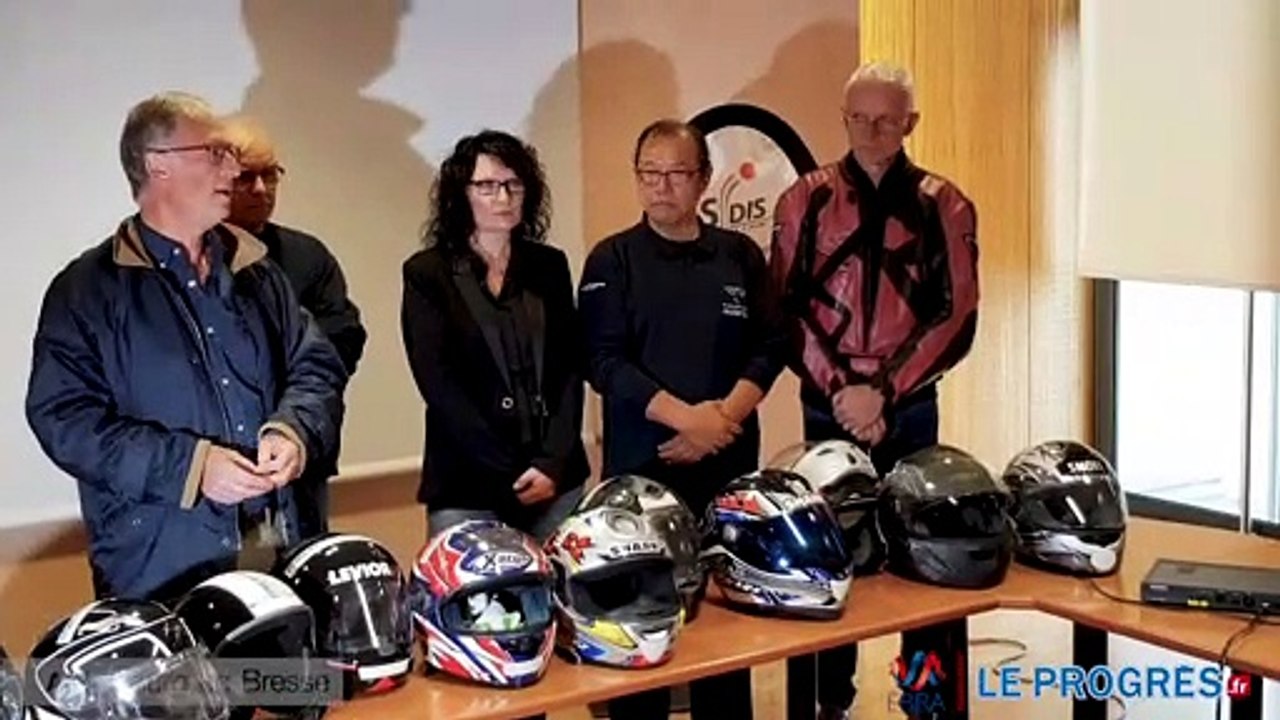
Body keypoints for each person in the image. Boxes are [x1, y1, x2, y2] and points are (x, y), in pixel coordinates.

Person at [25, 92, 347, 603]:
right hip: (160, 570)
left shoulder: (257, 273)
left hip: (278, 552)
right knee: (189, 688)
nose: (232, 166)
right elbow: (64, 418)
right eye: (214, 152)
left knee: (285, 685)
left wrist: (295, 429)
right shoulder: (86, 291)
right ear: (158, 166)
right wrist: (192, 468)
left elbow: (316, 366)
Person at [770, 61, 979, 720]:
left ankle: (926, 696)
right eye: (859, 117)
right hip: (828, 404)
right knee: (828, 557)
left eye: (887, 118)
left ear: (910, 123)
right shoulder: (804, 198)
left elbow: (959, 314)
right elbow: (784, 308)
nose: (871, 130)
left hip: (908, 407)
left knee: (926, 558)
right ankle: (831, 702)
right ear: (844, 118)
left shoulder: (946, 203)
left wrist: (884, 392)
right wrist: (841, 390)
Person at [579, 118, 788, 720]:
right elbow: (603, 362)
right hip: (643, 476)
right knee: (639, 631)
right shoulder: (612, 259)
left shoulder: (738, 255)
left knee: (726, 635)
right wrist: (685, 421)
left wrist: (720, 420)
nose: (661, 186)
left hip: (727, 470)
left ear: (704, 180)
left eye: (676, 174)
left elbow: (770, 345)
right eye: (649, 173)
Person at [401, 130, 588, 544]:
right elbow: (439, 384)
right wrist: (509, 472)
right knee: (482, 608)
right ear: (461, 194)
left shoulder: (549, 265)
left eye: (513, 184)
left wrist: (552, 462)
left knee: (566, 602)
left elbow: (570, 370)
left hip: (556, 482)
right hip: (469, 485)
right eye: (487, 186)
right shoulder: (427, 274)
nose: (503, 197)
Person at [221, 115, 367, 539]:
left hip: (301, 460)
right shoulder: (190, 262)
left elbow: (341, 342)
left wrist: (291, 416)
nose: (261, 190)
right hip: (221, 468)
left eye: (270, 175)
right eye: (246, 177)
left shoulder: (306, 255)